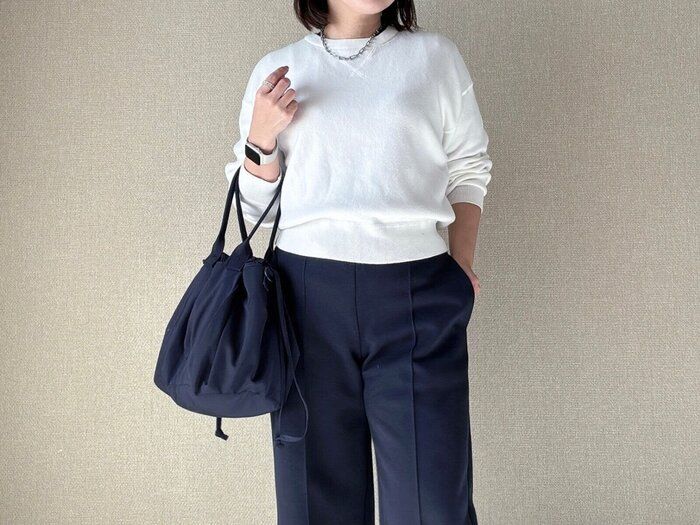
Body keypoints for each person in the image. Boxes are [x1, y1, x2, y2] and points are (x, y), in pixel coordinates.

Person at [224, 1, 492, 523]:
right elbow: (254, 211)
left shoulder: (435, 57)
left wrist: (460, 265)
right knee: (315, 503)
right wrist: (261, 138)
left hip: (418, 295)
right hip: (305, 301)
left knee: (432, 506)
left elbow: (468, 166)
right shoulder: (278, 70)